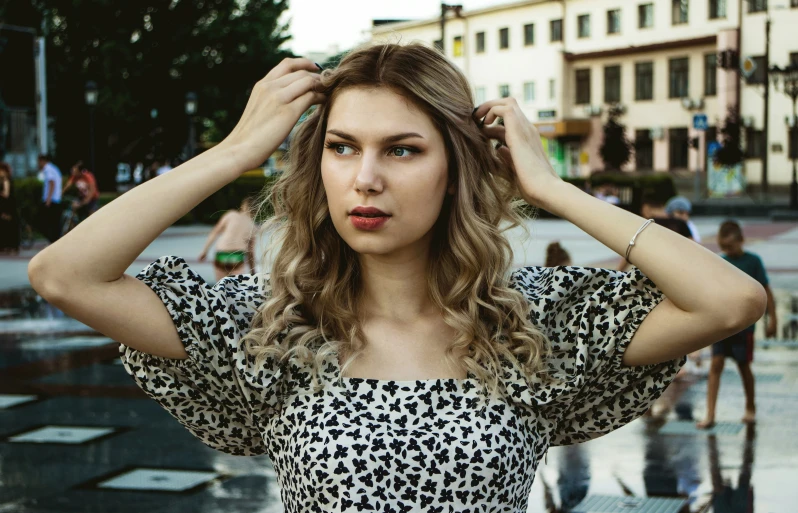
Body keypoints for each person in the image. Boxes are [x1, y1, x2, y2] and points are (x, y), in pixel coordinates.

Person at [28, 44, 767, 511]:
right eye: (343, 148)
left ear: (455, 170)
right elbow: (65, 274)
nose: (367, 178)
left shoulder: (529, 327)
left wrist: (549, 188)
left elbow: (731, 297)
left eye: (404, 150)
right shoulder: (271, 330)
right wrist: (232, 153)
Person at [697, 221, 777, 429]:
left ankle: (750, 406)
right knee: (716, 365)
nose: (727, 251)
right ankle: (710, 414)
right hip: (723, 323)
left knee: (743, 366)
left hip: (744, 325)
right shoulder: (722, 262)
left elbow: (766, 291)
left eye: (730, 247)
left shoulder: (753, 262)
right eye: (723, 248)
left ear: (741, 240)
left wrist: (773, 319)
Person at [199, 196, 257, 282]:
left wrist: (204, 251)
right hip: (237, 256)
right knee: (236, 288)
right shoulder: (252, 226)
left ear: (242, 206)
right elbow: (250, 252)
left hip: (222, 254)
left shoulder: (231, 215)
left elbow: (215, 232)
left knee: (220, 288)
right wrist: (253, 271)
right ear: (255, 210)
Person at [36, 154, 63, 243]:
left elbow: (52, 183)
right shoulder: (54, 168)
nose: (38, 164)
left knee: (41, 221)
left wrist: (48, 199)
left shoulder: (48, 169)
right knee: (54, 223)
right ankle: (54, 241)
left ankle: (53, 240)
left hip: (52, 200)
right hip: (56, 199)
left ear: (42, 161)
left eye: (38, 162)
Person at [0, 162, 21, 254]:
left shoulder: (5, 180)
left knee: (7, 226)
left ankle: (10, 246)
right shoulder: (6, 180)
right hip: (7, 206)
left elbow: (6, 194)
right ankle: (9, 246)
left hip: (7, 207)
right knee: (7, 226)